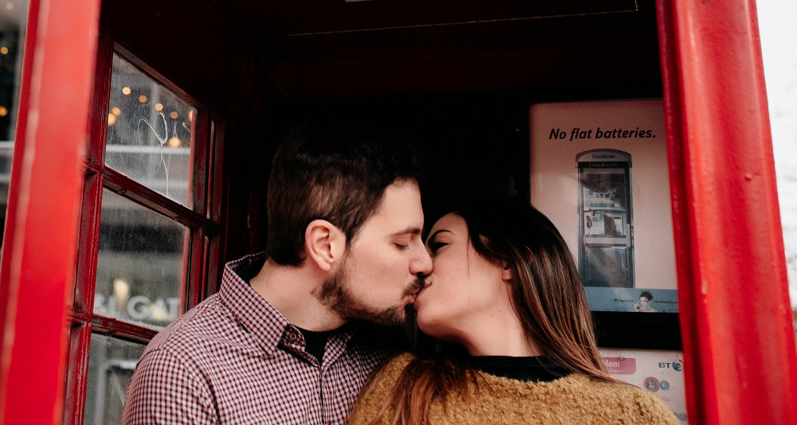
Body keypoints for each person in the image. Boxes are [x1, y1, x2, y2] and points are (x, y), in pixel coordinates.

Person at [121, 127, 432, 424]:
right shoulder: (183, 371)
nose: (424, 262)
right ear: (325, 245)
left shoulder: (391, 349)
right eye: (402, 243)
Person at [347, 198, 678, 425]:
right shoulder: (403, 386)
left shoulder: (635, 413)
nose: (420, 265)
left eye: (439, 245)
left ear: (508, 261)